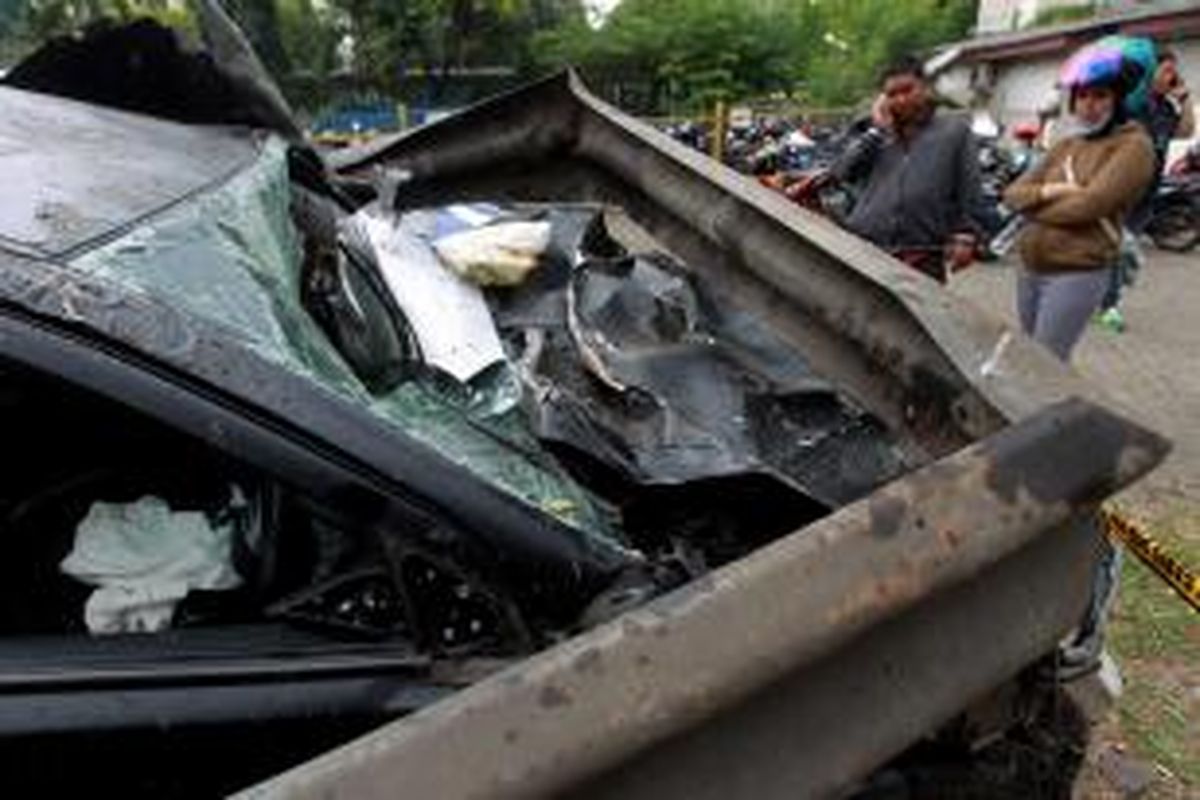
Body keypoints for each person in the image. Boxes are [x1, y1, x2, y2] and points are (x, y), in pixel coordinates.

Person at [1002, 42, 1156, 362]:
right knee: (1032, 360)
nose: (1089, 105)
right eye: (1082, 96)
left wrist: (1033, 206)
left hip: (1076, 271)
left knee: (1046, 363)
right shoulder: (1068, 144)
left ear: (1119, 100)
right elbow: (1012, 193)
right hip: (1031, 266)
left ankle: (1054, 412)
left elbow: (1091, 205)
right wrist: (1047, 192)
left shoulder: (1134, 146)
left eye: (1100, 96)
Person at [799, 55, 983, 283]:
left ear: (925, 87)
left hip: (922, 252)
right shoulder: (873, 132)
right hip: (865, 245)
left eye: (907, 90)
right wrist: (877, 131)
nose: (901, 99)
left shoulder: (954, 131)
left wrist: (966, 235)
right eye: (892, 94)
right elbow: (841, 172)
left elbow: (970, 185)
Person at [1095, 43, 1194, 332]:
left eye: (1175, 74)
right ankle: (1107, 306)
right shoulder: (1133, 104)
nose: (1172, 78)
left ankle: (1098, 296)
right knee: (1120, 250)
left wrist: (1185, 99)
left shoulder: (1166, 107)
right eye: (1167, 71)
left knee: (1118, 252)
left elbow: (1185, 131)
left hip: (1145, 196)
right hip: (1120, 190)